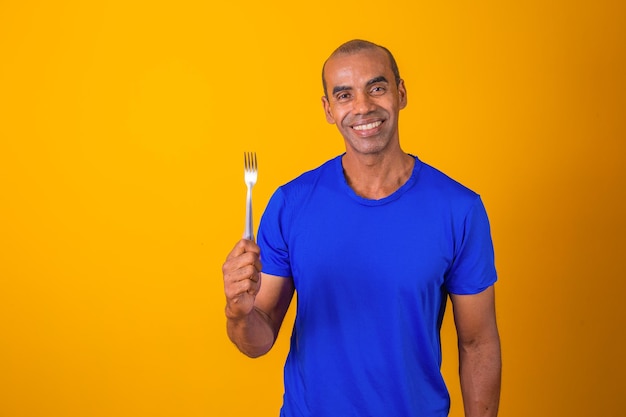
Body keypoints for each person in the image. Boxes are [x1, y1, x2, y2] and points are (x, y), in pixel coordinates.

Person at [222, 39, 501, 417]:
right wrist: (239, 313)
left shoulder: (458, 209)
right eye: (344, 95)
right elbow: (258, 340)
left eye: (377, 87)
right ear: (328, 109)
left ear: (400, 93)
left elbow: (478, 343)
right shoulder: (291, 203)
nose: (363, 107)